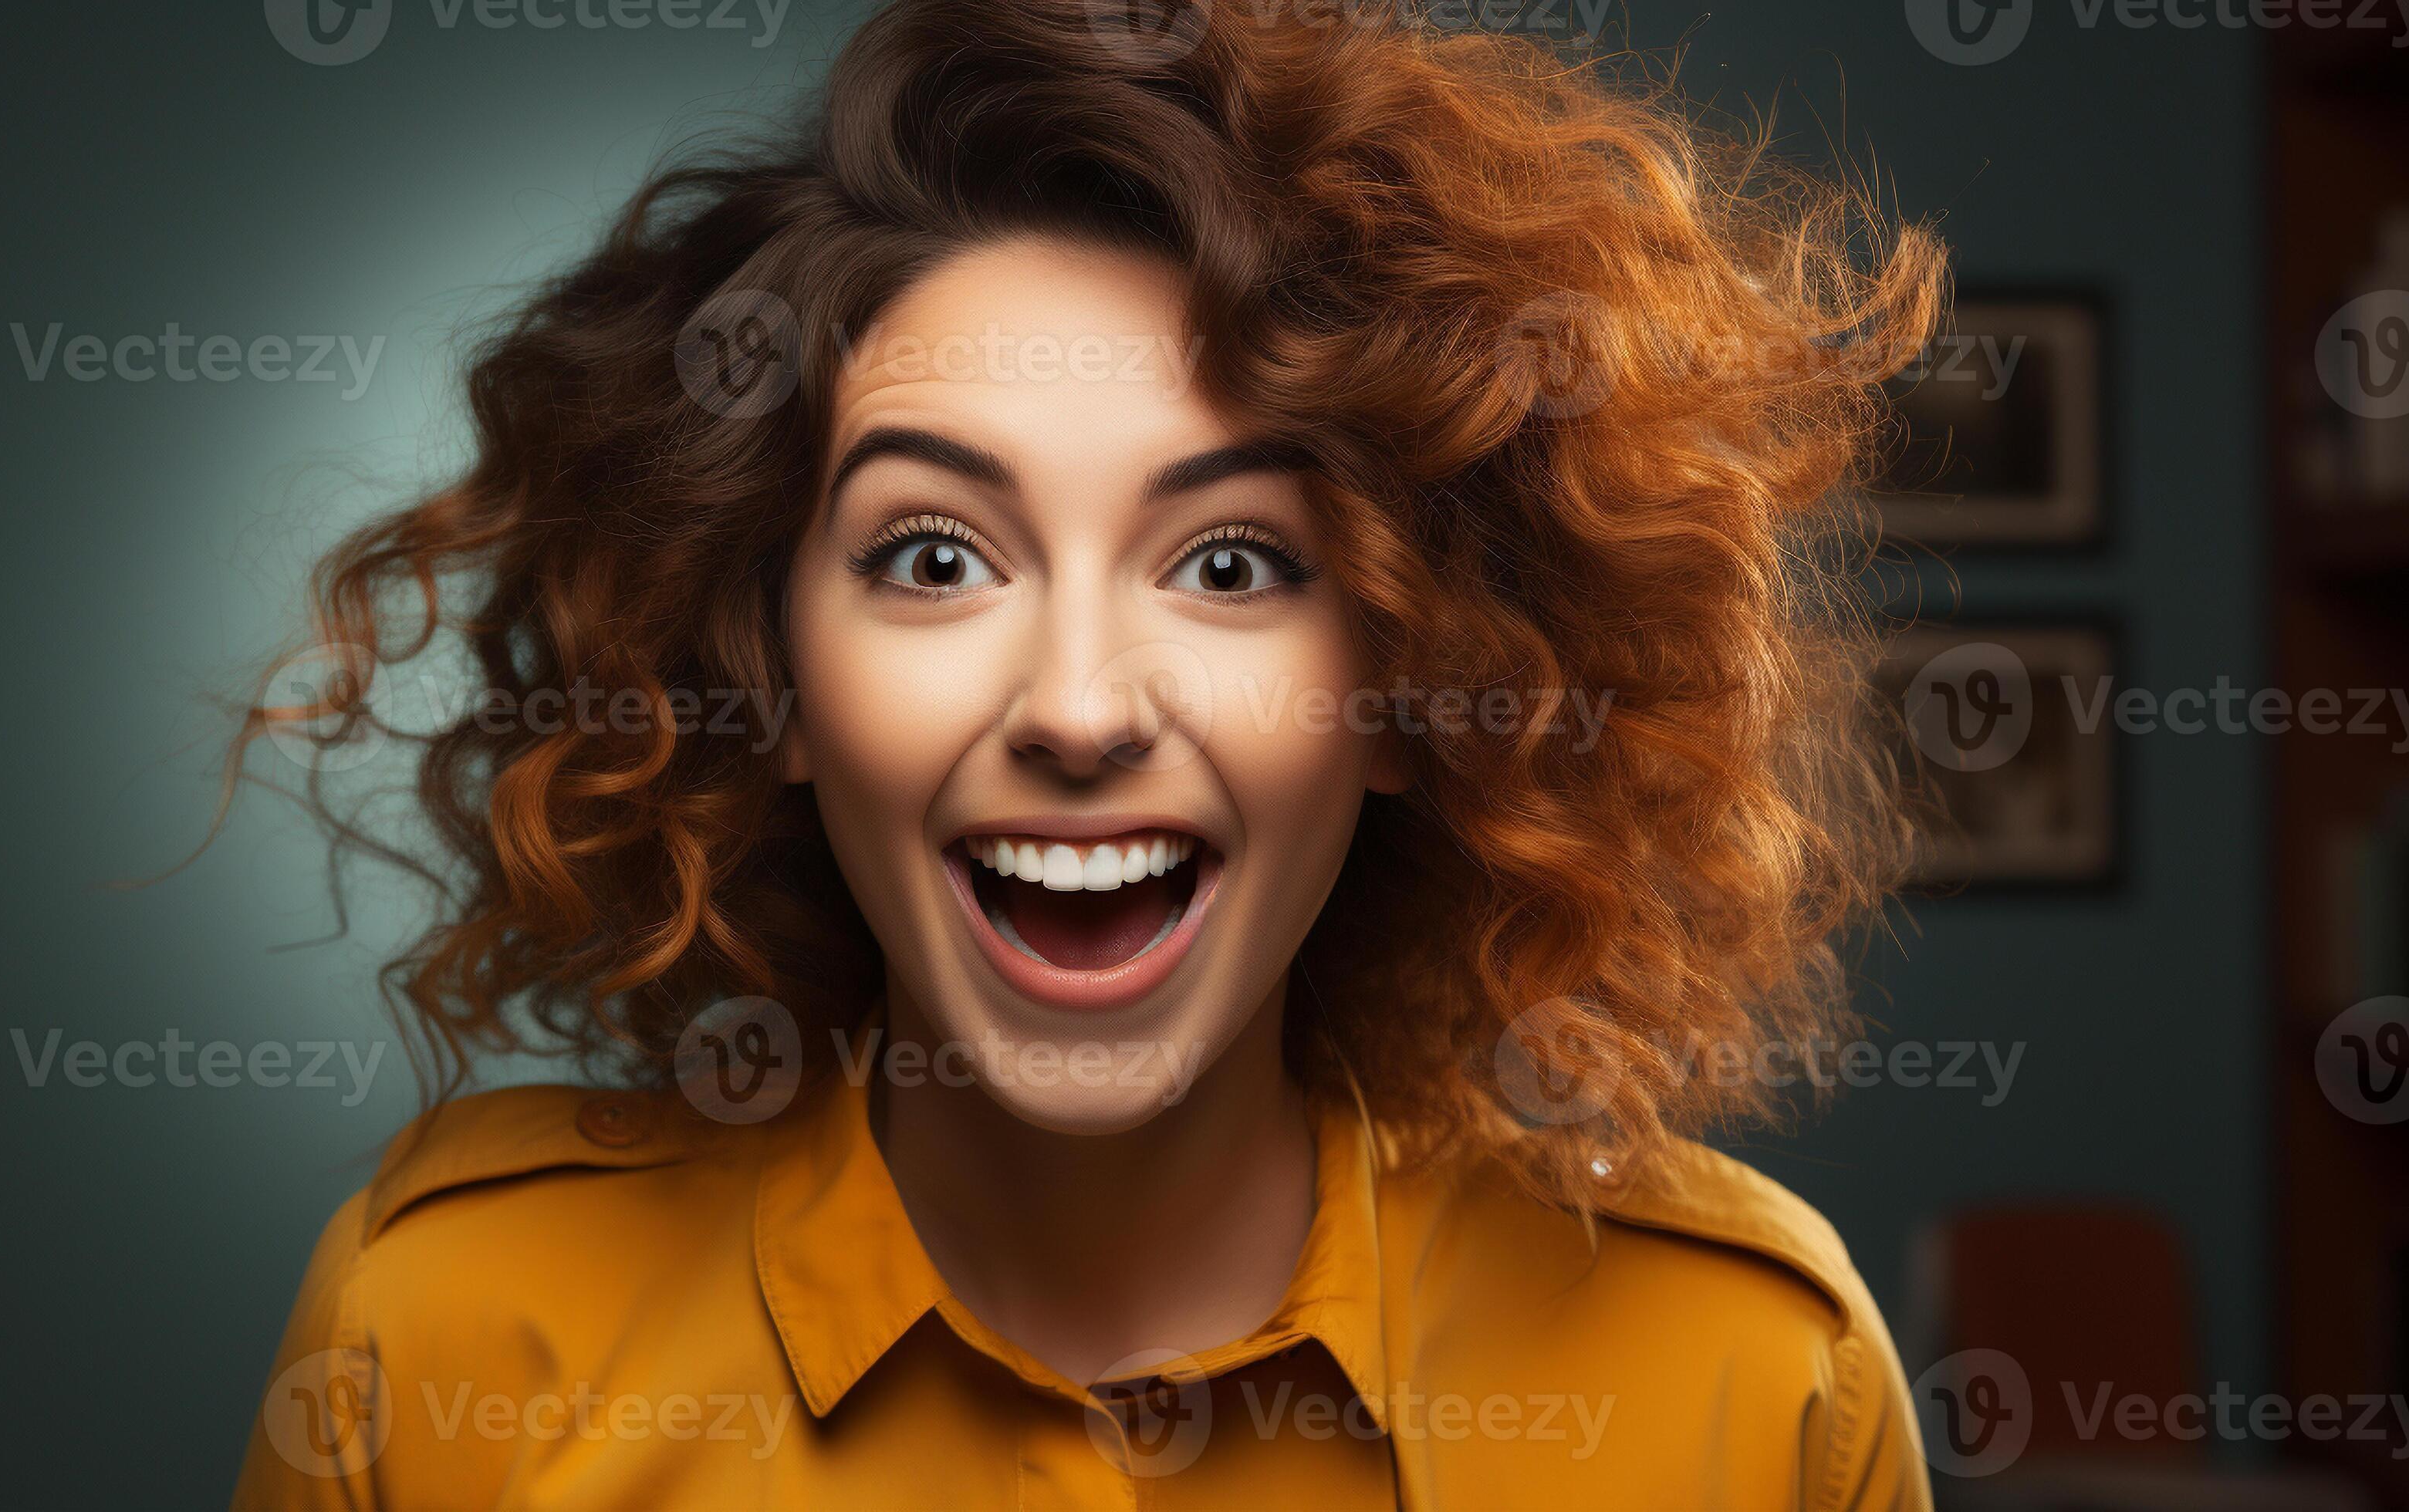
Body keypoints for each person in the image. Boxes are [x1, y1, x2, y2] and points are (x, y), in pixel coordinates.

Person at [231, 0, 1947, 1504]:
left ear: (1418, 690)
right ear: (774, 690)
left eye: (1231, 563)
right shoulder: (448, 1329)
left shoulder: (1747, 1371)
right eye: (933, 556)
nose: (1076, 706)